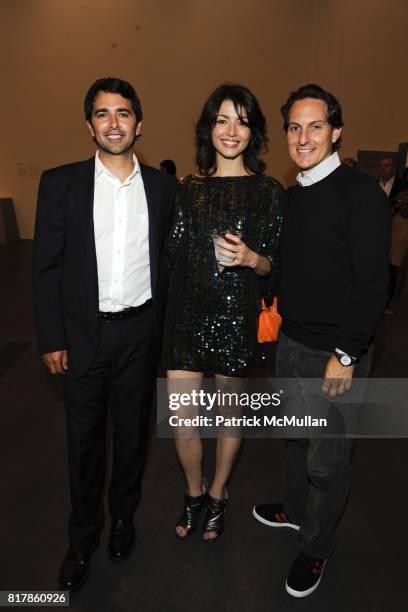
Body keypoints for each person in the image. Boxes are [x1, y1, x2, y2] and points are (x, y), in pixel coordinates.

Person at [33, 77, 177, 591]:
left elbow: (171, 263)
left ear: (139, 123)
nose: (113, 123)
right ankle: (82, 537)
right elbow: (46, 267)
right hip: (81, 335)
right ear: (88, 124)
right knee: (84, 444)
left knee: (133, 439)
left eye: (123, 113)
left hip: (140, 334)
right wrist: (51, 336)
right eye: (102, 114)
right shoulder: (59, 183)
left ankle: (122, 519)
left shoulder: (163, 189)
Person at [252, 84, 390, 597]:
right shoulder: (293, 197)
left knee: (327, 462)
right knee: (295, 439)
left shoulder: (359, 196)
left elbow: (374, 284)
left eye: (315, 126)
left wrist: (346, 353)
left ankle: (316, 547)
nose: (303, 137)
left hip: (332, 354)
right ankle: (293, 507)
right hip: (290, 342)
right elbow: (288, 269)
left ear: (336, 132)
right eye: (294, 127)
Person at [163, 84, 284, 542]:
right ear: (208, 127)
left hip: (236, 319)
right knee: (183, 419)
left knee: (230, 417)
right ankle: (193, 493)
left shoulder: (270, 192)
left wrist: (254, 259)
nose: (231, 131)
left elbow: (276, 265)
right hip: (185, 317)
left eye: (242, 121)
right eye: (222, 120)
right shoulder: (187, 190)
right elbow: (170, 258)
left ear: (253, 131)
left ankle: (218, 494)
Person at [385, 188, 408, 314]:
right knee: (390, 262)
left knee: (400, 265)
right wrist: (399, 203)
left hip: (405, 229)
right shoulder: (403, 187)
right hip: (395, 225)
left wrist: (402, 204)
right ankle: (387, 296)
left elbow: (404, 212)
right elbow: (394, 204)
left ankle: (394, 301)